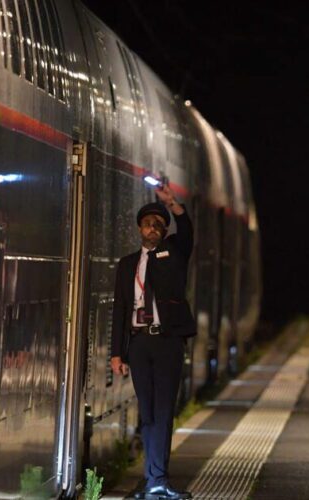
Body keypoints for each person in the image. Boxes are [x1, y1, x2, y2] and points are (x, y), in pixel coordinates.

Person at [110, 185, 195, 500]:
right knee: (147, 413)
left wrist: (173, 205)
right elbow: (119, 308)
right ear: (139, 228)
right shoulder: (127, 264)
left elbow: (186, 231)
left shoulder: (174, 253)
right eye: (148, 223)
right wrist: (116, 353)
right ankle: (152, 480)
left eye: (159, 224)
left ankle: (158, 478)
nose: (153, 228)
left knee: (163, 411)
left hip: (167, 341)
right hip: (139, 343)